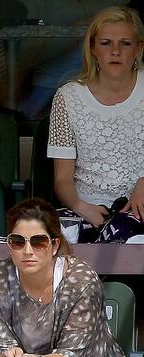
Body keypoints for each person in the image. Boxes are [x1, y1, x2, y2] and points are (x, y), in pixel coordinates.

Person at [0, 198, 132, 357]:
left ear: (54, 244)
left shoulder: (80, 280)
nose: (28, 250)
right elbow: (2, 344)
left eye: (38, 241)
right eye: (18, 242)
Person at [47, 6, 144, 243]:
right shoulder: (67, 98)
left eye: (125, 43)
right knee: (39, 236)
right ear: (92, 48)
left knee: (126, 238)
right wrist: (81, 206)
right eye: (106, 43)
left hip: (139, 209)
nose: (115, 51)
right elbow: (62, 179)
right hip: (86, 208)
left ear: (139, 49)